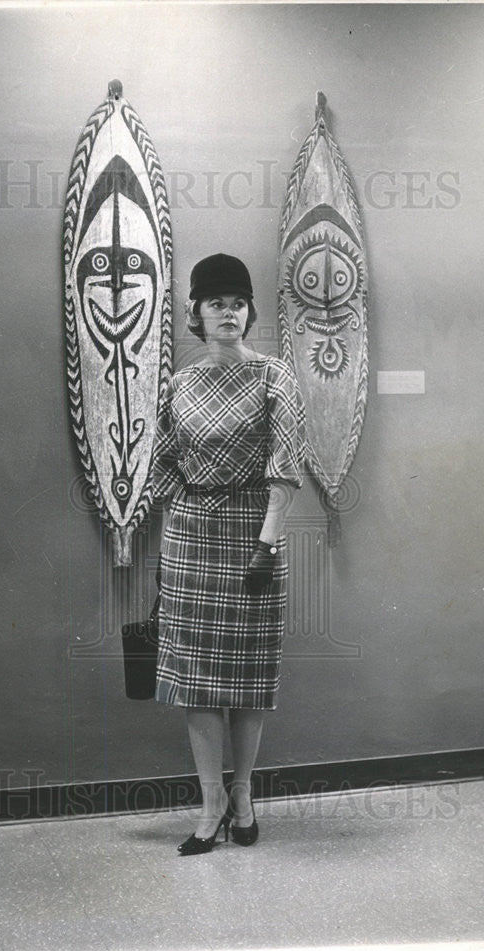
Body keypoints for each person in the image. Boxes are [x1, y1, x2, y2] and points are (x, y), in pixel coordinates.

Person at [150, 253, 305, 856]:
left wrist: (266, 545)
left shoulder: (274, 377)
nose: (228, 312)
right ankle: (211, 804)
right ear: (196, 313)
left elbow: (285, 466)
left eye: (237, 303)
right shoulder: (179, 385)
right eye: (216, 302)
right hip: (190, 538)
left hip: (252, 535)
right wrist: (174, 535)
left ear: (250, 311)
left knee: (245, 679)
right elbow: (162, 464)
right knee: (196, 682)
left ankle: (243, 796)